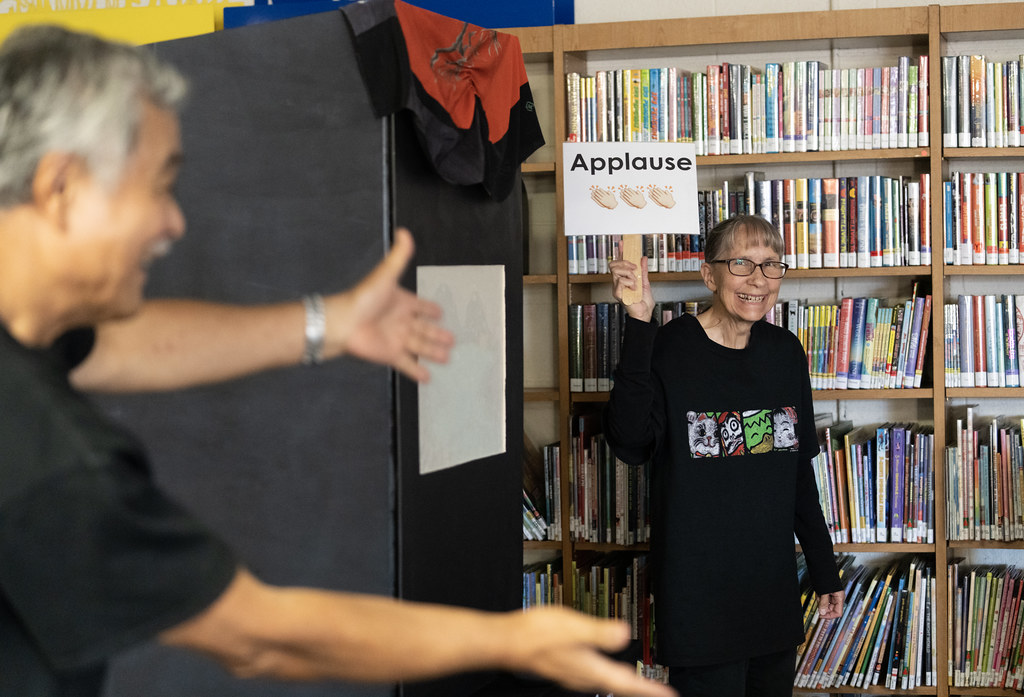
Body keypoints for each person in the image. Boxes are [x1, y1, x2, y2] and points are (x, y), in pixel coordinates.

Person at [0, 25, 677, 697]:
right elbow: (255, 634)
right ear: (60, 187)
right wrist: (508, 639)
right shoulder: (47, 450)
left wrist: (327, 323)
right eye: (157, 186)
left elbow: (118, 346)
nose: (173, 223)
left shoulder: (25, 333)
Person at [604, 215, 846, 697]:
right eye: (741, 263)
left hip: (770, 597)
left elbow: (796, 472)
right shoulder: (672, 347)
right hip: (698, 602)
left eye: (771, 265)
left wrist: (823, 569)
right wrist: (638, 322)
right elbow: (629, 444)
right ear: (709, 275)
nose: (758, 279)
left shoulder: (785, 354)